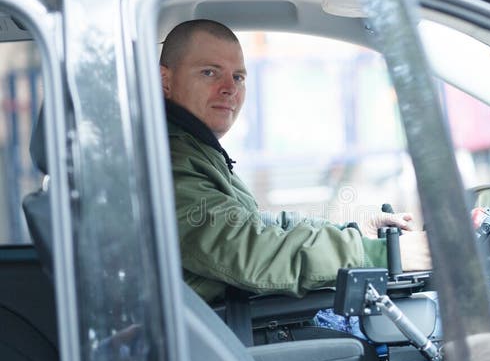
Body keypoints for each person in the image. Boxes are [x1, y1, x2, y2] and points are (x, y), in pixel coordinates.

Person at [160, 19, 430, 304]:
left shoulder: (196, 150)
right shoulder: (170, 163)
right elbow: (252, 250)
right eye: (210, 72)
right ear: (166, 80)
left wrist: (352, 231)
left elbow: (260, 225)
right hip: (233, 337)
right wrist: (385, 254)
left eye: (238, 77)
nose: (229, 88)